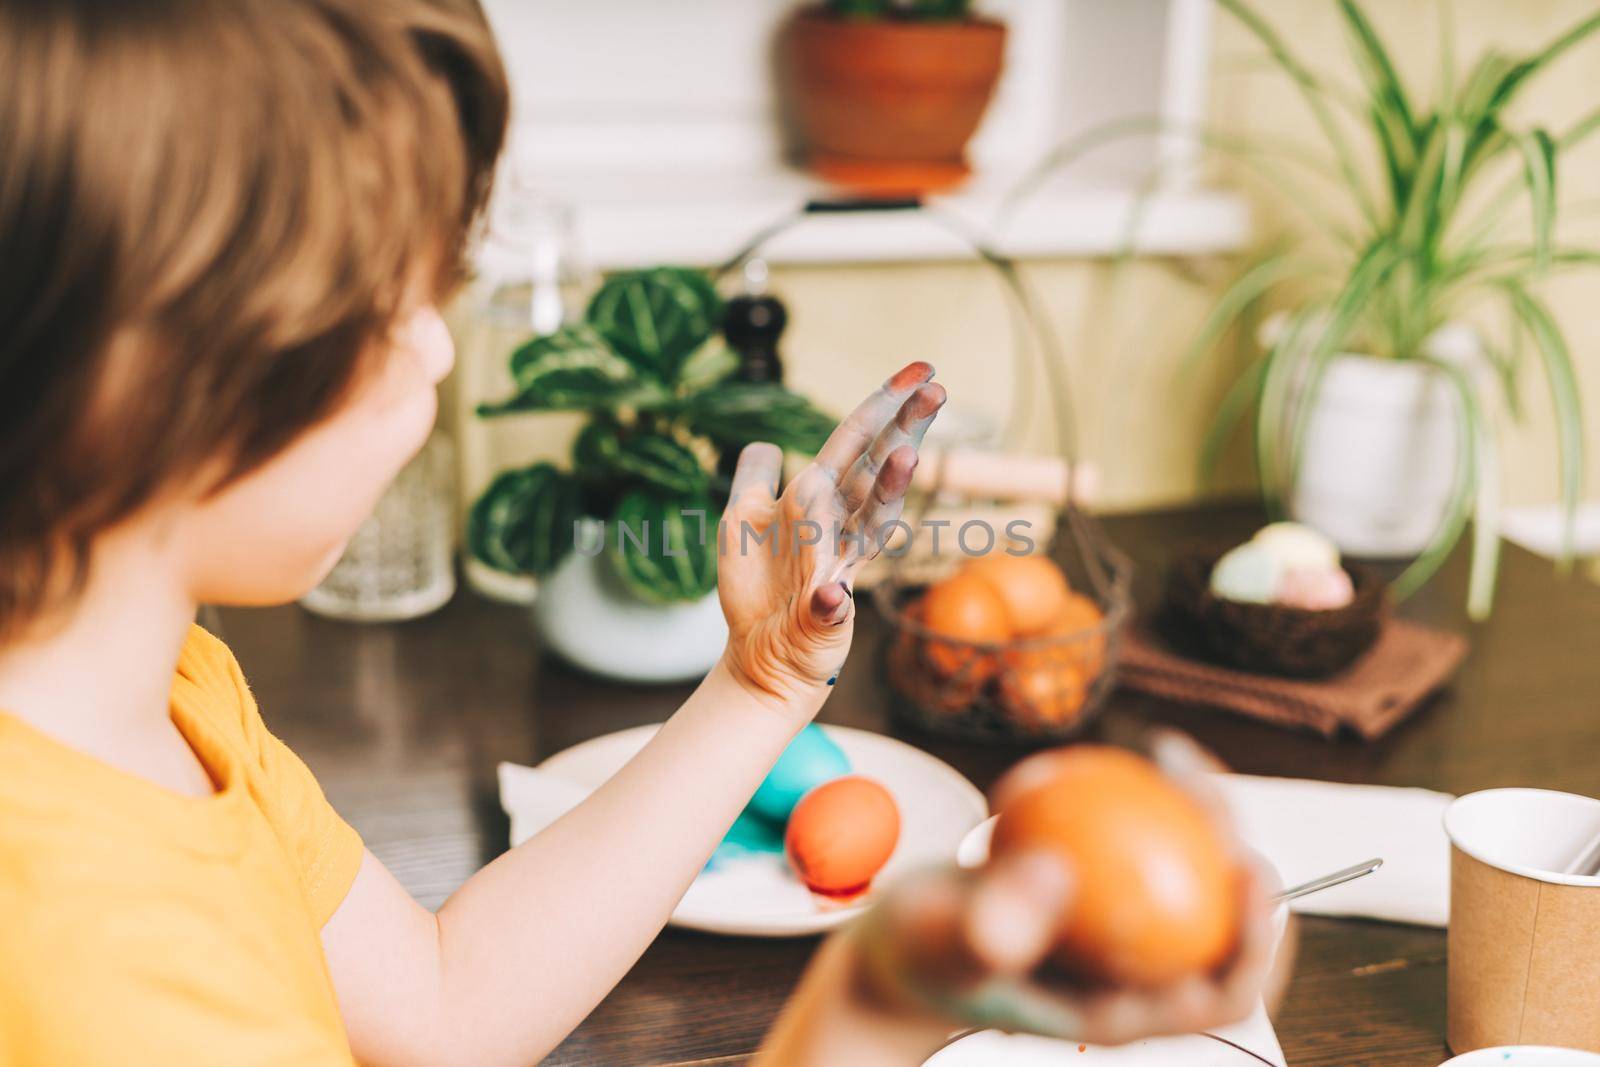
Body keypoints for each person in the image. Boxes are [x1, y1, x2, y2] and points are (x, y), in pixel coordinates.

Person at [0, 1, 1274, 1063]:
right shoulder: (88, 964)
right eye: (381, 302)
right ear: (137, 367)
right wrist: (879, 1003)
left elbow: (442, 1005)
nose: (435, 346)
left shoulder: (167, 689)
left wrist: (761, 679)